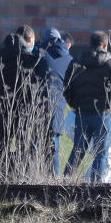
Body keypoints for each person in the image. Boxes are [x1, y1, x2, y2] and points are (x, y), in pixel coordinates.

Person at [63, 31, 111, 182]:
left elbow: (66, 86)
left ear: (90, 44)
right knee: (101, 153)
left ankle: (64, 182)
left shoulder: (77, 62)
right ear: (105, 45)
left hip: (82, 113)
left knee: (77, 151)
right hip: (103, 114)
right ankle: (96, 188)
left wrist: (75, 105)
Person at [0, 25, 44, 179]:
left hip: (3, 110)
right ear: (29, 40)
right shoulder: (30, 59)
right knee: (23, 145)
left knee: (3, 143)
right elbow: (36, 86)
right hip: (24, 111)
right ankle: (23, 176)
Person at [34, 27, 72, 177]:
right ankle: (54, 180)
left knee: (35, 146)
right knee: (54, 146)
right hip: (58, 108)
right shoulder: (69, 58)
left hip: (38, 107)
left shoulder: (39, 54)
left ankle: (36, 178)